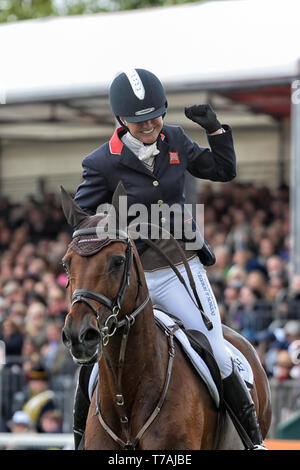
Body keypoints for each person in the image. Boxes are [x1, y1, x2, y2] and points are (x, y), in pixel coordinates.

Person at [71, 68, 265, 450]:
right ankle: (79, 441)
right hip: (127, 278)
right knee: (94, 368)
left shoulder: (175, 138)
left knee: (217, 352)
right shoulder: (100, 164)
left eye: (155, 116)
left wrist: (216, 131)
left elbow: (222, 171)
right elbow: (82, 223)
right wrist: (115, 231)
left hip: (180, 270)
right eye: (139, 121)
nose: (150, 125)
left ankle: (252, 441)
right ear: (121, 120)